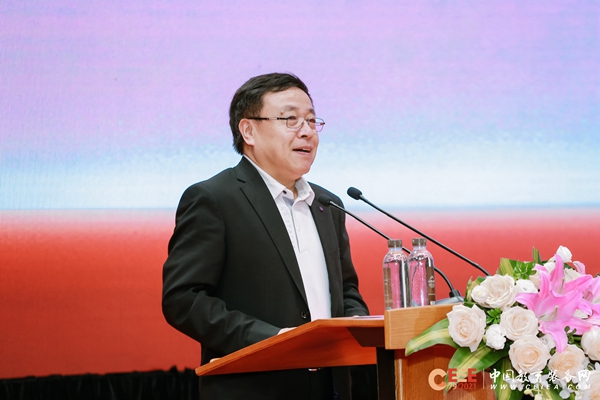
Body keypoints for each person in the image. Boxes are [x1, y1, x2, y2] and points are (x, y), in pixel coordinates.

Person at [162, 72, 370, 400]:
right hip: (256, 388)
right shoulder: (215, 199)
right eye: (290, 119)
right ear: (249, 131)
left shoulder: (327, 204)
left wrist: (357, 327)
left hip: (330, 388)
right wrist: (271, 339)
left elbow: (345, 291)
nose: (307, 131)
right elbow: (184, 300)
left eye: (312, 120)